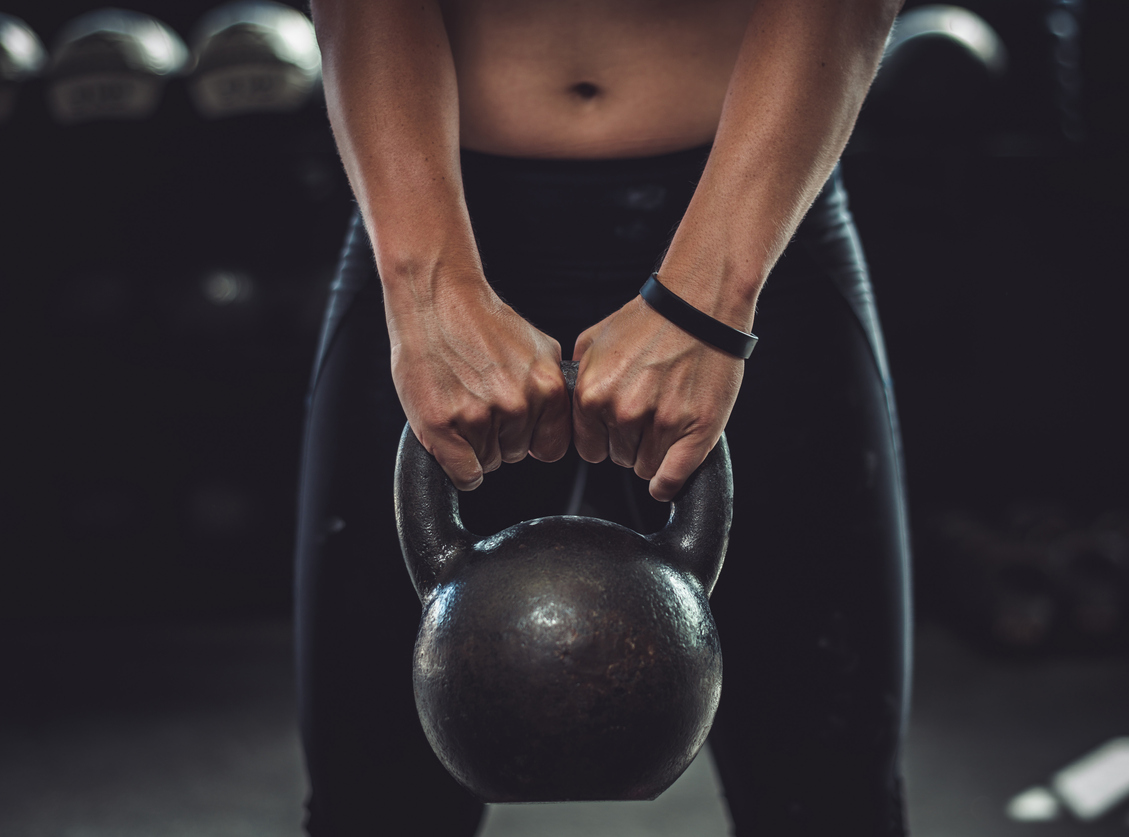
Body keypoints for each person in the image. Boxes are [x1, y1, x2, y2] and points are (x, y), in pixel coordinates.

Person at [295, 1, 912, 834]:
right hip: (433, 211)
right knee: (374, 805)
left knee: (830, 795)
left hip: (753, 207)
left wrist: (710, 300)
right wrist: (428, 289)